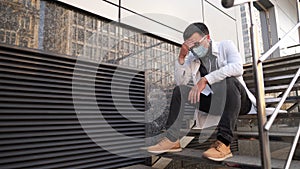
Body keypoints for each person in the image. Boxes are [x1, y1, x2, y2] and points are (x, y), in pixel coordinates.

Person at [147, 22, 256, 161]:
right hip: (215, 103)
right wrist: (181, 59)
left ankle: (224, 143)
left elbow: (237, 68)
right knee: (179, 91)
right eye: (191, 47)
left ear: (207, 38)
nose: (194, 50)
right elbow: (181, 81)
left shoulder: (225, 46)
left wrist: (205, 79)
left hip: (238, 102)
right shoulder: (193, 58)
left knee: (229, 81)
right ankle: (172, 139)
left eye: (197, 45)